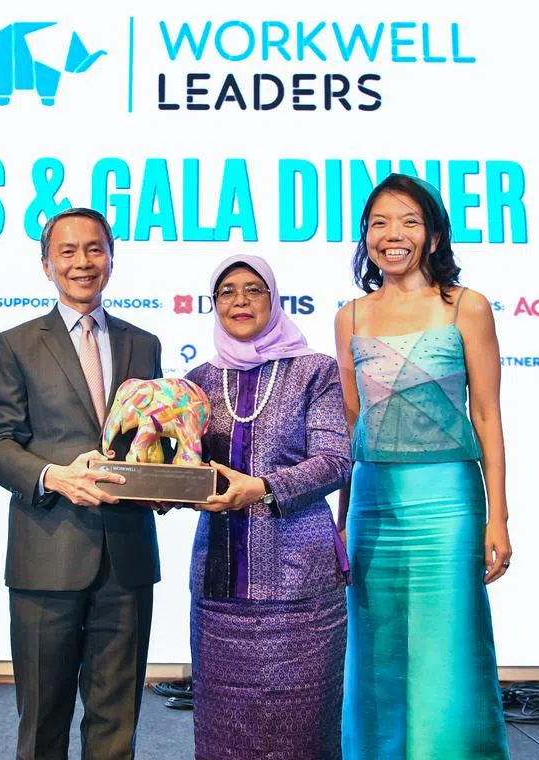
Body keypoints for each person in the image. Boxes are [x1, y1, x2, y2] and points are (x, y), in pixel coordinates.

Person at [335, 174, 512, 758]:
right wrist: (340, 522)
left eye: (410, 221)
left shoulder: (467, 306)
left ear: (433, 235)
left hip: (448, 501)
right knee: (376, 650)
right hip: (372, 500)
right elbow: (351, 428)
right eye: (380, 223)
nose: (394, 234)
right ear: (365, 237)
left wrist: (498, 519)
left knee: (449, 647)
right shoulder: (351, 316)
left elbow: (487, 415)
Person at [0, 207, 165, 760]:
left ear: (110, 257)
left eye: (94, 249)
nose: (83, 262)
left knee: (117, 721)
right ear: (46, 265)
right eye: (68, 251)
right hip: (47, 553)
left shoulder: (144, 343)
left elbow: (151, 443)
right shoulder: (16, 343)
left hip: (126, 558)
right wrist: (52, 476)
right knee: (42, 721)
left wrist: (166, 485)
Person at [184, 254, 352, 759]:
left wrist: (262, 488)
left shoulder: (314, 371)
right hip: (220, 588)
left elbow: (336, 461)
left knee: (302, 727)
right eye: (227, 291)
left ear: (273, 300)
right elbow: (185, 468)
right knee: (224, 730)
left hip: (300, 584)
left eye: (253, 290)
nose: (240, 300)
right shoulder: (197, 381)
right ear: (214, 305)